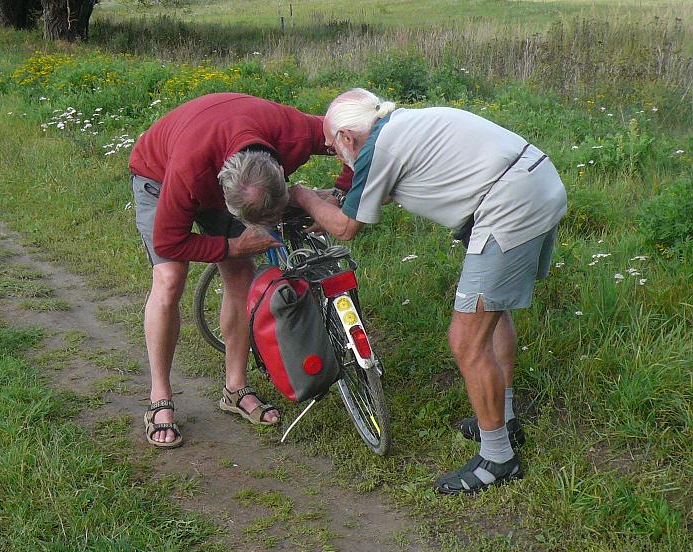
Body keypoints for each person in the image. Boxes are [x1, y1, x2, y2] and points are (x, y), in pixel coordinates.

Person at [290, 88, 567, 494]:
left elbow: (347, 228)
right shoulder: (399, 126)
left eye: (334, 148)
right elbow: (356, 198)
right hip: (536, 182)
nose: (337, 156)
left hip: (509, 206)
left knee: (466, 341)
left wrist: (302, 197)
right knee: (493, 313)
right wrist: (331, 203)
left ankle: (499, 459)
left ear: (348, 137)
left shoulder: (378, 148)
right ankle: (504, 422)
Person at [129, 92, 351, 449]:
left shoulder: (293, 131)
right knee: (170, 280)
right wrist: (232, 245)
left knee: (241, 277)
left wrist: (341, 193)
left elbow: (353, 138)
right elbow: (170, 242)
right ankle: (160, 397)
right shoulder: (190, 170)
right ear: (222, 190)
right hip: (160, 176)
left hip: (231, 169)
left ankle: (235, 388)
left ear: (281, 171)